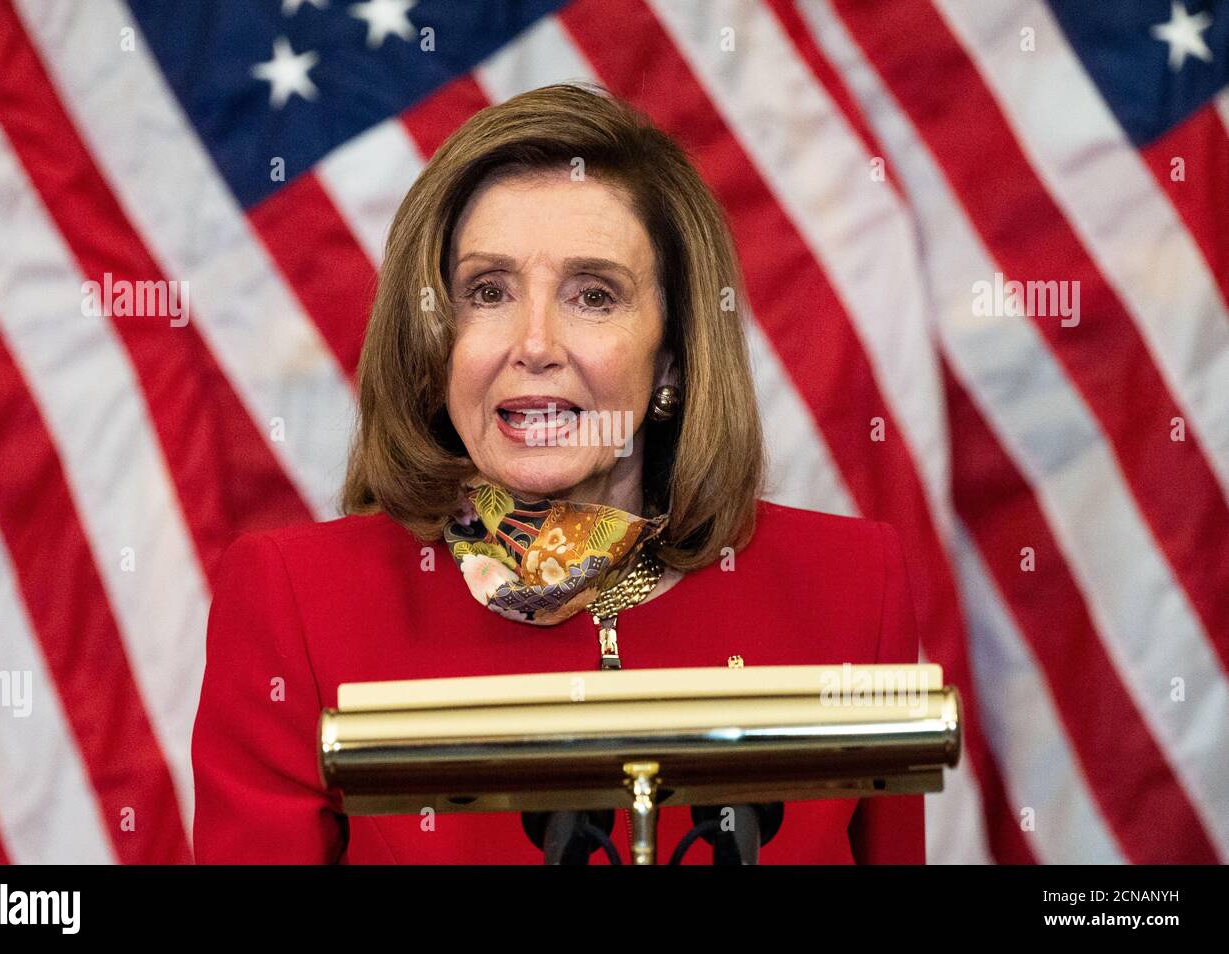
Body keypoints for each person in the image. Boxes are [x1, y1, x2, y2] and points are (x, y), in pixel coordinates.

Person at [191, 83, 924, 864]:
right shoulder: (295, 602)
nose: (534, 343)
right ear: (435, 341)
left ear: (670, 352)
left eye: (594, 295)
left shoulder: (852, 590)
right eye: (488, 292)